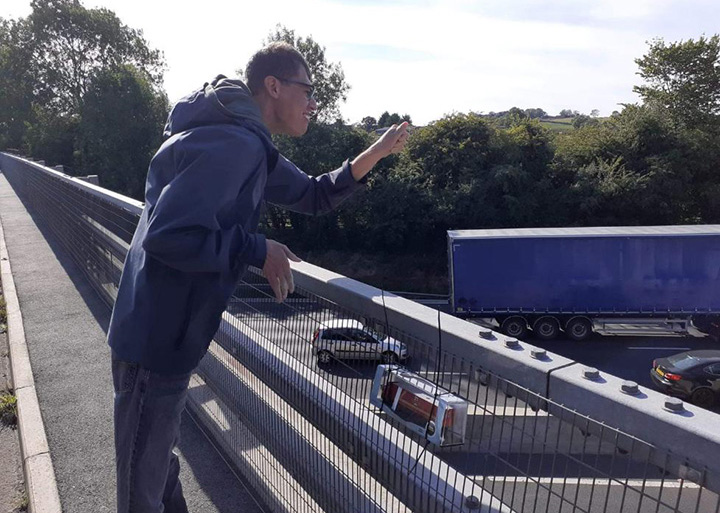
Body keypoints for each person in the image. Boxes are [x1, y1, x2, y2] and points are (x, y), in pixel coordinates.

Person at [106, 42, 409, 513]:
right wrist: (256, 247)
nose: (314, 102)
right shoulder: (233, 144)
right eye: (307, 90)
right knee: (140, 492)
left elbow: (312, 195)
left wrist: (378, 151)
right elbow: (168, 236)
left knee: (156, 471)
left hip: (160, 334)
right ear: (273, 86)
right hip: (156, 340)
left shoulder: (244, 141)